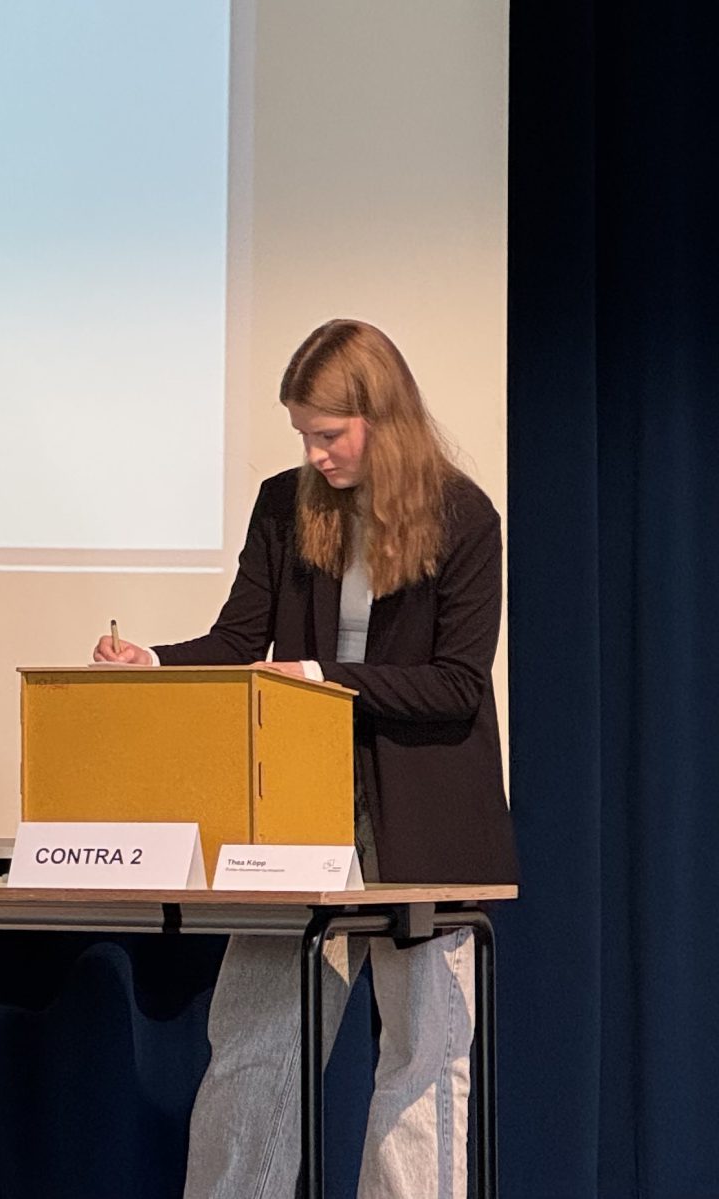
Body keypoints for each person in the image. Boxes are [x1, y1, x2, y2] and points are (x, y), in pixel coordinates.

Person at [94, 319, 511, 1199]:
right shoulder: (286, 505)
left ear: (382, 416)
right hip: (300, 807)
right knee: (254, 1044)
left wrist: (321, 679)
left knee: (423, 1058)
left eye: (329, 434)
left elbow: (456, 685)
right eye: (304, 436)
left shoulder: (464, 516)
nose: (315, 455)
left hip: (427, 817)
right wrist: (152, 662)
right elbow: (238, 641)